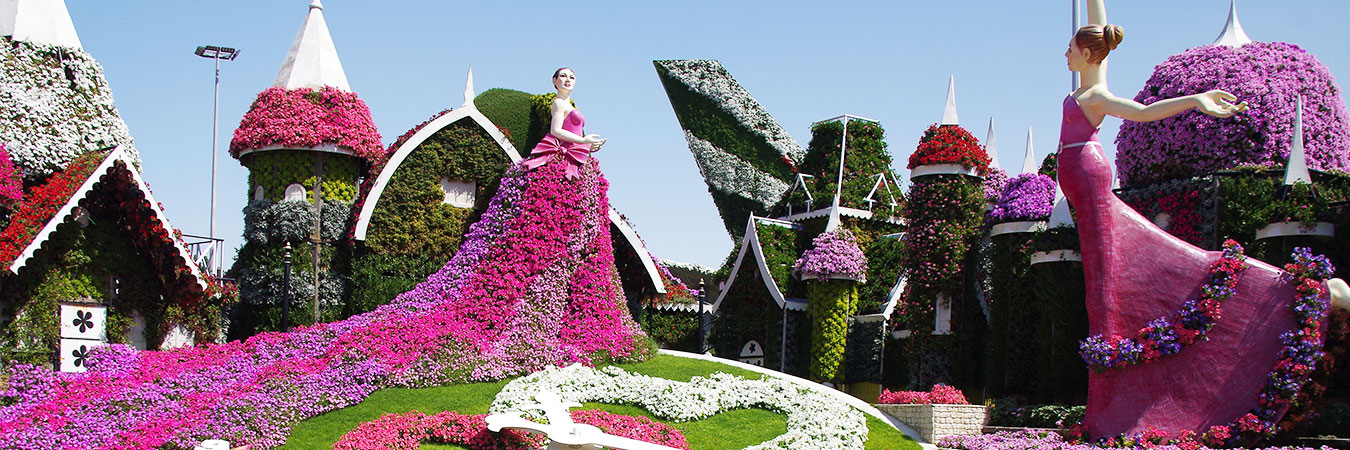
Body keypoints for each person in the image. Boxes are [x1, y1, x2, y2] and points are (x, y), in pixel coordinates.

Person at [1062, 0, 1348, 438]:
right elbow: (1096, 24)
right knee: (1118, 287)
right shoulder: (1090, 80)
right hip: (1086, 192)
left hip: (1094, 192)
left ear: (1088, 55)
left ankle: (1306, 292)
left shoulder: (1097, 95)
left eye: (1071, 49)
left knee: (1112, 295)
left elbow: (1140, 112)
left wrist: (1194, 99)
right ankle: (1108, 410)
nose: (1065, 55)